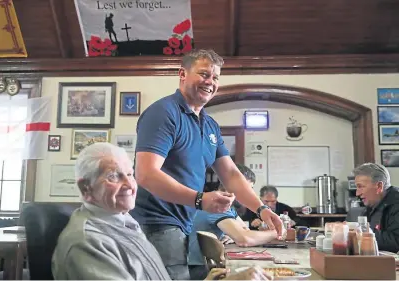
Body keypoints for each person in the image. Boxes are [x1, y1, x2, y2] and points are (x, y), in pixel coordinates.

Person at [131, 49, 283, 279]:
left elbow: (230, 173)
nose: (210, 82)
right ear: (182, 74)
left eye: (215, 77)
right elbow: (146, 174)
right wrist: (200, 199)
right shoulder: (164, 113)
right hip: (156, 224)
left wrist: (261, 209)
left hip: (183, 223)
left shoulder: (209, 125)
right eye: (204, 74)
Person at [51, 143, 272, 281]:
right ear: (85, 188)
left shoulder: (124, 222)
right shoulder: (88, 242)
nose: (130, 185)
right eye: (113, 176)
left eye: (130, 174)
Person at [188, 164, 279, 280]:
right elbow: (245, 239)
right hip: (197, 272)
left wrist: (233, 234)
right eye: (247, 189)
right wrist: (277, 232)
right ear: (231, 184)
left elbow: (244, 231)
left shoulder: (224, 204)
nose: (250, 194)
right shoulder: (218, 205)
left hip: (201, 267)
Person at [353, 163, 399, 253]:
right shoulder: (372, 205)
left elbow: (396, 241)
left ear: (379, 186)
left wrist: (362, 234)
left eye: (361, 187)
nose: (357, 193)